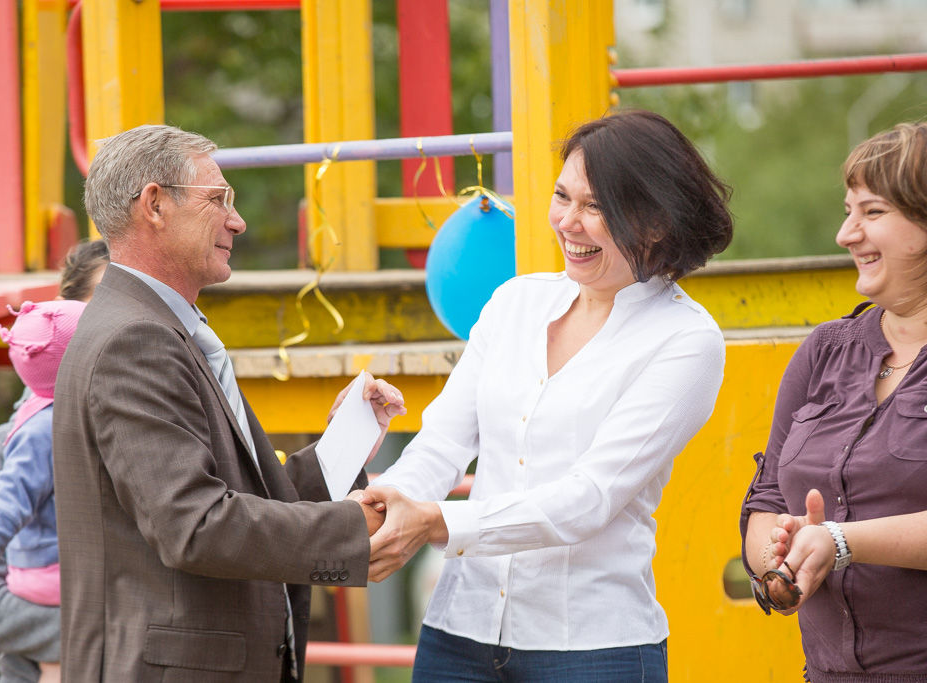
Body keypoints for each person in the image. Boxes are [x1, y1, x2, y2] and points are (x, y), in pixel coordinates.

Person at [356, 110, 734, 681]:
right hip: (460, 631)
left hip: (594, 649)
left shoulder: (687, 340)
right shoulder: (515, 302)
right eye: (563, 197)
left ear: (656, 221)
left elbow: (588, 498)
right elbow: (440, 445)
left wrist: (434, 523)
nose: (568, 222)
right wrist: (385, 503)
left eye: (596, 207)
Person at [51, 123, 403, 681]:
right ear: (155, 205)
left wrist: (339, 452)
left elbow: (227, 497)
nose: (237, 221)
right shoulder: (135, 339)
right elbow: (193, 525)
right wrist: (351, 529)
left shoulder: (153, 327)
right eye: (218, 200)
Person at [740, 122, 927, 681]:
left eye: (871, 213)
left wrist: (841, 541)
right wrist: (784, 562)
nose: (846, 234)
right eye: (848, 211)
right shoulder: (825, 349)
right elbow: (768, 495)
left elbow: (835, 537)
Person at [0, 239, 109, 683]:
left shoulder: (170, 436)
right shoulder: (13, 444)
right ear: (63, 319)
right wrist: (119, 636)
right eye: (103, 309)